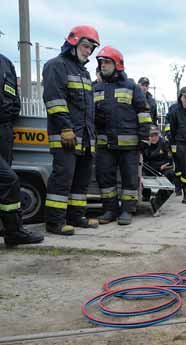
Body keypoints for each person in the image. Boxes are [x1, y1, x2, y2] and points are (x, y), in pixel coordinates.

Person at [42, 25, 101, 235]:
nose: (88, 52)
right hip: (65, 136)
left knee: (81, 180)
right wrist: (66, 128)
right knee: (62, 179)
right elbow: (54, 100)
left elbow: (87, 110)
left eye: (91, 49)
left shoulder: (84, 73)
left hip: (84, 137)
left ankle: (76, 217)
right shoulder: (55, 66)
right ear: (73, 43)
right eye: (85, 46)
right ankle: (55, 222)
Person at [93, 46, 151, 225]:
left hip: (128, 145)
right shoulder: (96, 88)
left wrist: (143, 138)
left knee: (129, 178)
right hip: (105, 144)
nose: (103, 65)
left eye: (107, 62)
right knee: (105, 178)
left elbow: (143, 113)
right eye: (101, 62)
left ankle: (127, 210)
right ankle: (110, 210)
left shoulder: (131, 87)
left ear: (118, 64)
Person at [0, 53, 44, 247]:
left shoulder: (5, 63)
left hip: (5, 129)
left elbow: (14, 98)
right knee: (9, 180)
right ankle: (14, 232)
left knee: (3, 184)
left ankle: (8, 229)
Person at [142, 125, 175, 214]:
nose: (153, 138)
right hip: (148, 169)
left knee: (171, 174)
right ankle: (145, 195)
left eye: (155, 135)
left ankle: (157, 202)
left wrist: (164, 166)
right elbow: (142, 161)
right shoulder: (144, 145)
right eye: (151, 136)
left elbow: (169, 160)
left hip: (162, 168)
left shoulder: (164, 143)